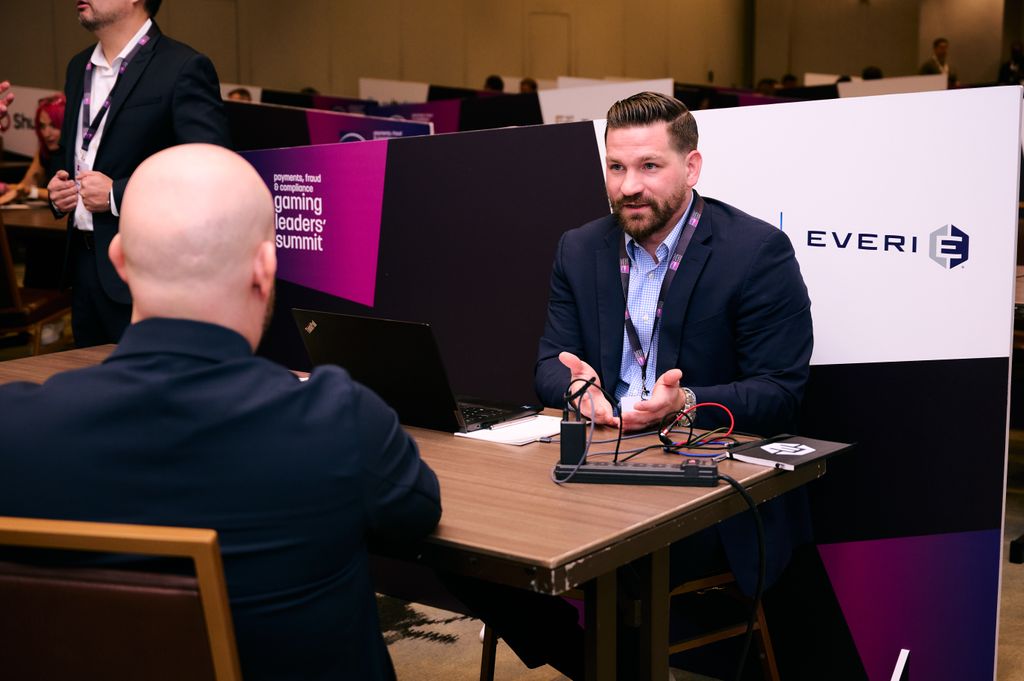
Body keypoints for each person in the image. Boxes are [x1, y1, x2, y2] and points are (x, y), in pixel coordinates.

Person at [0, 143, 442, 681]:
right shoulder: (340, 422)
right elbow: (417, 512)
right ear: (266, 267)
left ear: (118, 261)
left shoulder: (14, 432)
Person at [454, 92, 813, 680]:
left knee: (618, 559)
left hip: (697, 482)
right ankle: (588, 662)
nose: (628, 187)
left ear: (691, 167)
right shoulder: (579, 248)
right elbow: (550, 364)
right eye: (616, 167)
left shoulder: (756, 253)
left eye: (649, 166)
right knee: (454, 537)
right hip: (595, 460)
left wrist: (686, 404)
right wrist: (579, 392)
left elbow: (780, 392)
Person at [47, 0, 229, 348]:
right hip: (83, 267)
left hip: (148, 273)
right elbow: (70, 152)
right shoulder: (78, 66)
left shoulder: (182, 66)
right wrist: (58, 189)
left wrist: (117, 194)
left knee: (148, 380)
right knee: (93, 381)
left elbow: (212, 170)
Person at [0, 94, 65, 206]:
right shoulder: (44, 151)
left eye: (53, 126)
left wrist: (32, 192)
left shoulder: (79, 154)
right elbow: (26, 186)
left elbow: (65, 195)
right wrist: (6, 188)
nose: (46, 134)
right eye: (42, 126)